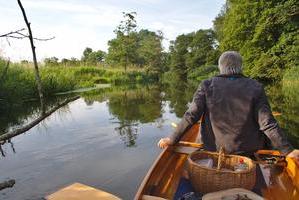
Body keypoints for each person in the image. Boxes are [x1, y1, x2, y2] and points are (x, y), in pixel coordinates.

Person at [158, 51, 299, 162]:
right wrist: (288, 150)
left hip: (214, 149)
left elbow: (192, 116)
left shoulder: (207, 85)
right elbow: (267, 124)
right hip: (248, 152)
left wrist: (172, 139)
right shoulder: (256, 87)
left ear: (220, 67)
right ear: (240, 67)